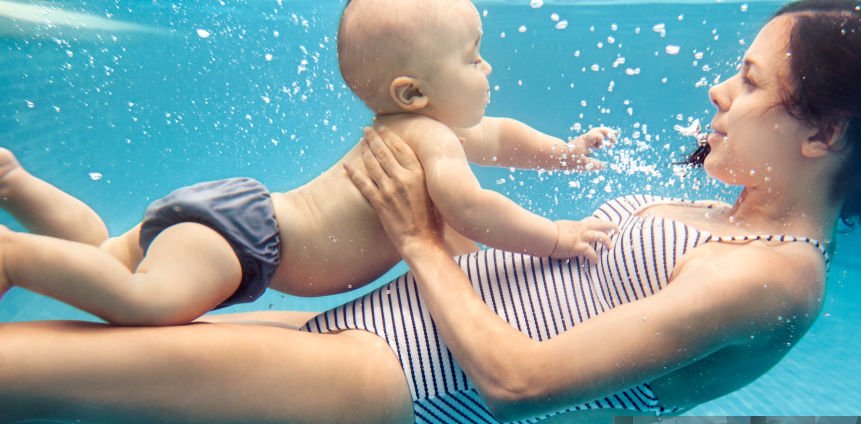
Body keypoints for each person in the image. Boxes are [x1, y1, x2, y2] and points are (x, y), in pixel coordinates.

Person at [0, 0, 861, 424]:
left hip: (384, 392)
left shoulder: (775, 276)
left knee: (19, 366)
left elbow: (521, 385)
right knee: (54, 385)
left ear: (825, 134)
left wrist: (420, 239)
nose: (718, 95)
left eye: (748, 80)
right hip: (357, 350)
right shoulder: (732, 221)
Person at [0, 0, 614, 326]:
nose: (488, 70)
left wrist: (564, 155)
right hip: (242, 240)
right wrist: (555, 237)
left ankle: (14, 183)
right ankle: (15, 254)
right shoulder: (428, 138)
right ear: (412, 92)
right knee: (148, 305)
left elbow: (501, 135)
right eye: (473, 59)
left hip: (237, 220)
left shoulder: (426, 130)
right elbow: (471, 208)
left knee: (107, 254)